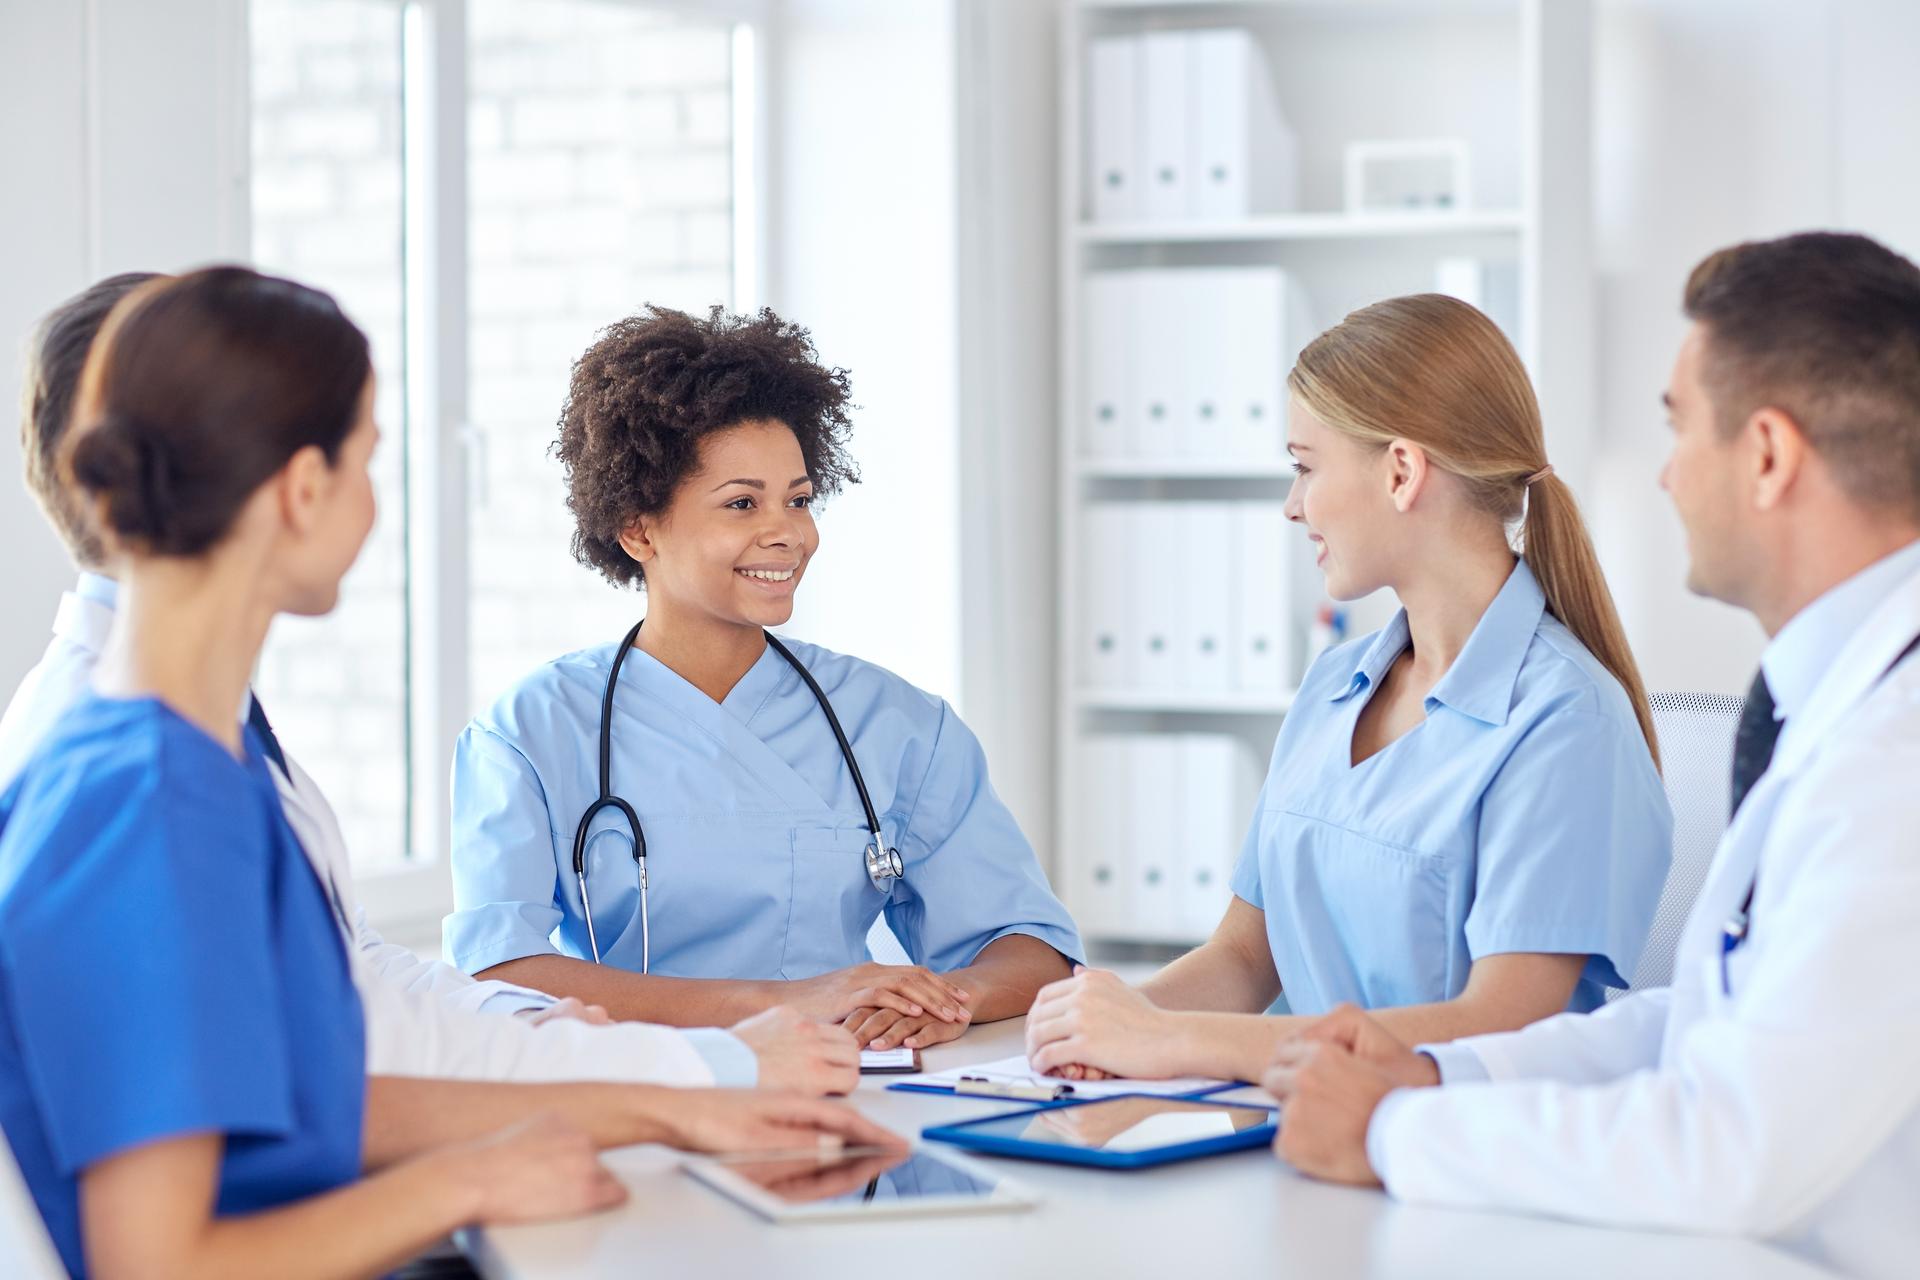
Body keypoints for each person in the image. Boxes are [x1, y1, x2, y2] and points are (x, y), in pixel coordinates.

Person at [0, 267, 899, 1278]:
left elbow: (305, 1085)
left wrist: (672, 1100)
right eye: (368, 460)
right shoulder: (143, 799)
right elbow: (152, 1263)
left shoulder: (186, 757)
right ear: (303, 489)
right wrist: (467, 1180)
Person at [1262, 232, 1920, 1280]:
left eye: (1679, 427)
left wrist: (1394, 1130)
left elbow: (1734, 1150)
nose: (1663, 472)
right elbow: (1703, 1019)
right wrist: (1432, 1077)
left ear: (1765, 455)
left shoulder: (1893, 762)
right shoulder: (1837, 709)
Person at [1026, 294, 1672, 1084]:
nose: (1292, 506)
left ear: (1402, 471)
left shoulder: (1568, 721)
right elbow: (1242, 956)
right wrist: (1106, 1027)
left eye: (1304, 467)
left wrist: (1169, 1043)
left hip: (1459, 1163)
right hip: (1292, 1142)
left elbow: (1499, 1028)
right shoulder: (1337, 683)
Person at [445, 305, 1082, 1052]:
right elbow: (500, 970)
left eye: (800, 500)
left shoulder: (894, 722)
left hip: (849, 1096)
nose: (791, 533)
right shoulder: (532, 729)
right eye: (743, 503)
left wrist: (943, 999)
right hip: (633, 1098)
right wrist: (781, 1003)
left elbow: (1030, 950)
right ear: (639, 528)